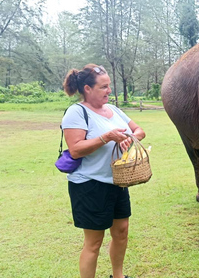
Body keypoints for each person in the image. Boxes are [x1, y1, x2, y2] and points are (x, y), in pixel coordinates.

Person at [62, 63, 145, 278]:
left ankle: (118, 276)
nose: (109, 91)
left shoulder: (114, 110)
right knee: (94, 242)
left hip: (117, 181)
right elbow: (76, 149)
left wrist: (129, 138)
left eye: (109, 86)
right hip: (89, 184)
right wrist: (106, 137)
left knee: (121, 231)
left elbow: (139, 130)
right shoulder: (76, 112)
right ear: (87, 89)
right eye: (104, 87)